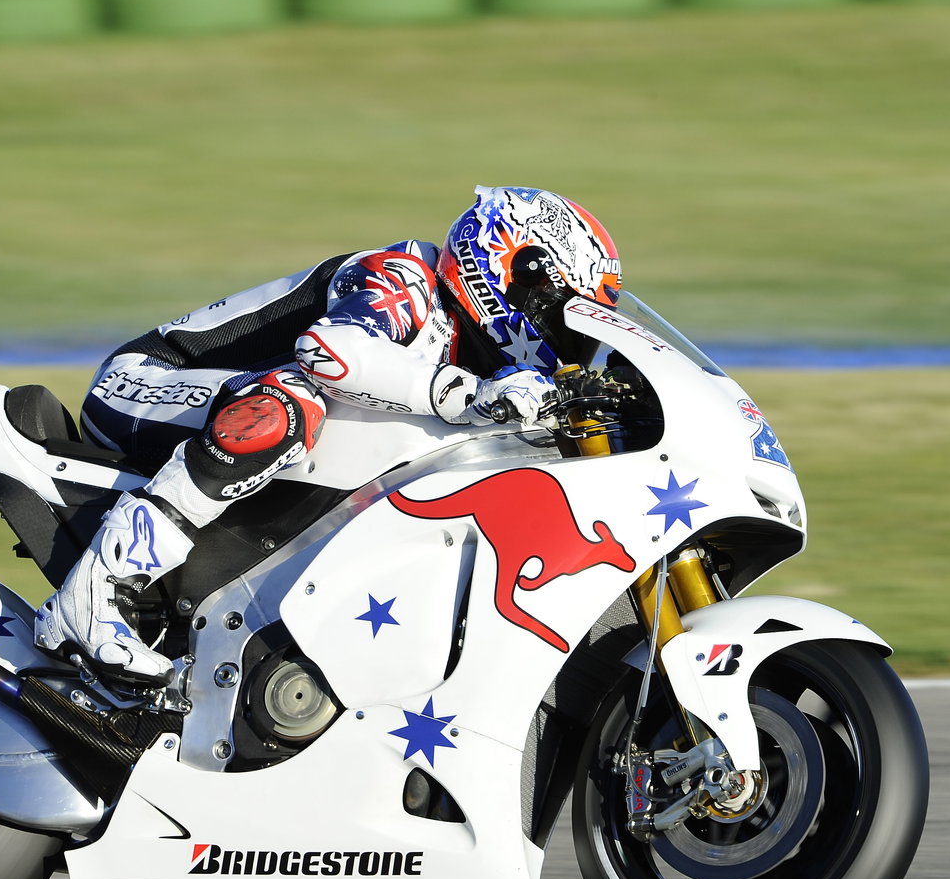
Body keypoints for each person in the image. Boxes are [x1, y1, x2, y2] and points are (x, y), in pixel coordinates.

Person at [34, 185, 622, 680]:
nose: (566, 336)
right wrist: (469, 395)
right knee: (291, 402)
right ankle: (97, 588)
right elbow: (329, 353)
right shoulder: (404, 278)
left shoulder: (480, 353)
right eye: (556, 308)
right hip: (145, 386)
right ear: (507, 269)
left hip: (209, 403)